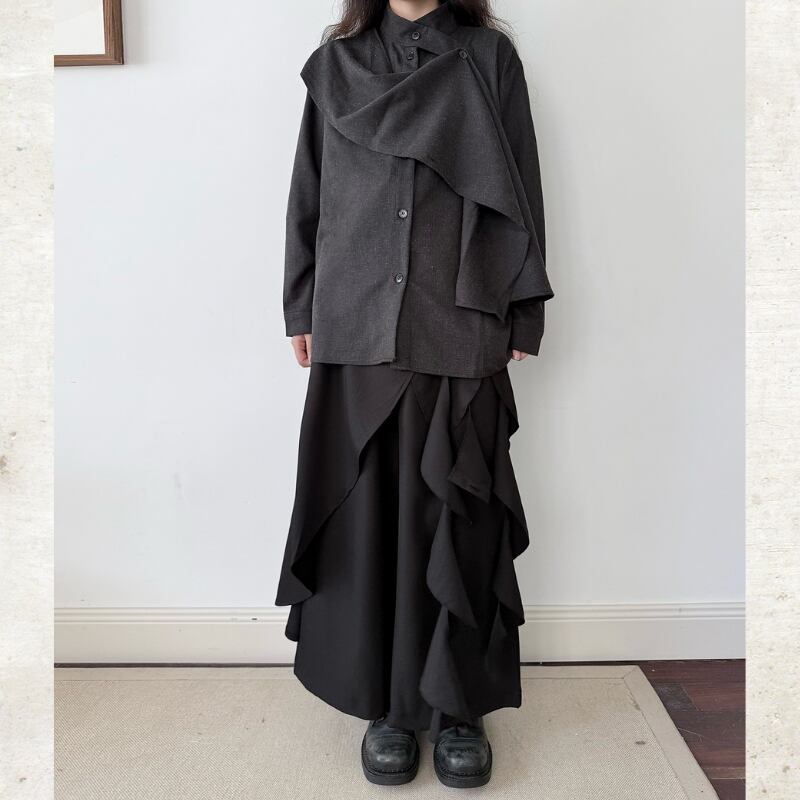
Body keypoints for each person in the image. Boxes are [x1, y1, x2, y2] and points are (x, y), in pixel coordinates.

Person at [274, 0, 553, 788]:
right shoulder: (337, 66)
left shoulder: (489, 60)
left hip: (460, 314)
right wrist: (301, 306)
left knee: (459, 515)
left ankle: (458, 708)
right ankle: (388, 706)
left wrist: (524, 311)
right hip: (356, 318)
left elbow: (522, 185)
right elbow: (309, 191)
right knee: (371, 518)